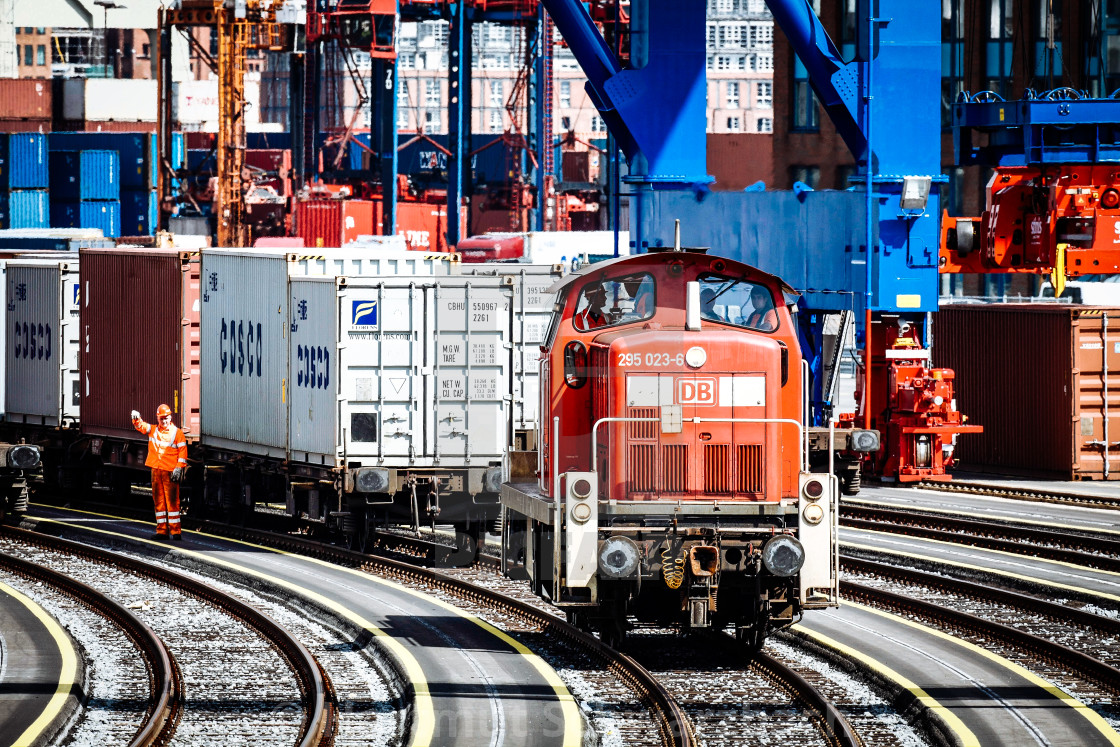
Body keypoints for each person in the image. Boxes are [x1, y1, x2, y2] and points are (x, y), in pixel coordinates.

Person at [131, 404, 187, 541]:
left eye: (166, 418)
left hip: (169, 472)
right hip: (156, 471)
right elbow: (141, 427)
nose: (164, 421)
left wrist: (179, 467)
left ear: (170, 417)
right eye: (162, 418)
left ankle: (175, 532)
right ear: (158, 418)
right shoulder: (154, 430)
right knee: (159, 503)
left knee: (173, 503)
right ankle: (162, 531)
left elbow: (183, 452)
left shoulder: (177, 433)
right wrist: (136, 419)